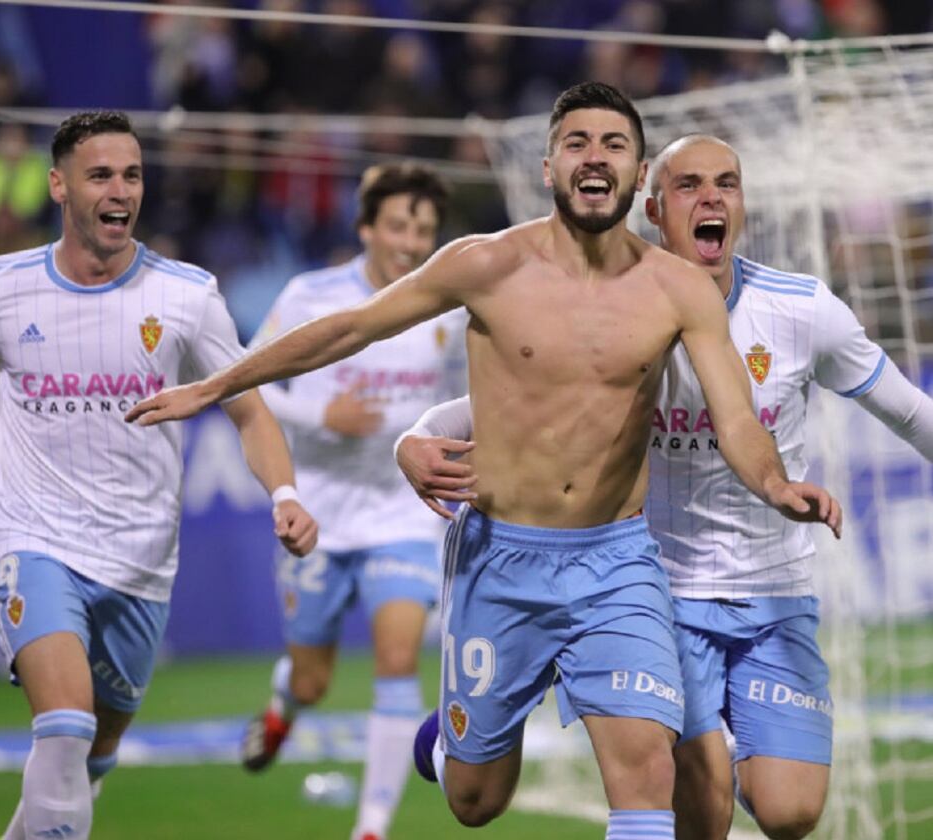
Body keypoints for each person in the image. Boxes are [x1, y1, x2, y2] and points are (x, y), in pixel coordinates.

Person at [124, 84, 841, 840]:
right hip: (502, 560)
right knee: (475, 801)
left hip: (618, 562)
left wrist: (775, 485)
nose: (594, 157)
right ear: (548, 168)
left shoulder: (678, 289)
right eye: (577, 143)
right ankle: (462, 733)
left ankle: (579, 668)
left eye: (614, 145)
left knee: (646, 774)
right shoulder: (487, 265)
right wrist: (217, 383)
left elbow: (736, 417)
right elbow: (350, 329)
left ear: (637, 178)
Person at [393, 134, 933, 840]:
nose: (711, 198)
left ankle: (557, 674)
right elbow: (482, 408)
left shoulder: (803, 311)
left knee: (790, 810)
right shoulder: (620, 310)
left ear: (741, 205)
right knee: (700, 815)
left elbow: (909, 410)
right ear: (652, 207)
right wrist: (411, 440)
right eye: (689, 185)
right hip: (659, 593)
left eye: (727, 184)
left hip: (775, 593)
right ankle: (558, 681)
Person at [0, 111, 318, 840]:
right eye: (100, 174)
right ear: (59, 186)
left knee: (89, 760)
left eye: (132, 174)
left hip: (138, 560)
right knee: (65, 724)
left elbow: (250, 411)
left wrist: (285, 494)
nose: (120, 189)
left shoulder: (188, 296)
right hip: (28, 534)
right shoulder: (0, 288)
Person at [240, 163, 466, 840]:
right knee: (312, 680)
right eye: (398, 225)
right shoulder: (311, 297)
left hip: (403, 512)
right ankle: (284, 707)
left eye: (424, 229)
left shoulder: (449, 309)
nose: (410, 241)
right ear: (366, 228)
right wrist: (319, 413)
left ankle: (370, 830)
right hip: (319, 514)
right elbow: (248, 386)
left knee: (399, 660)